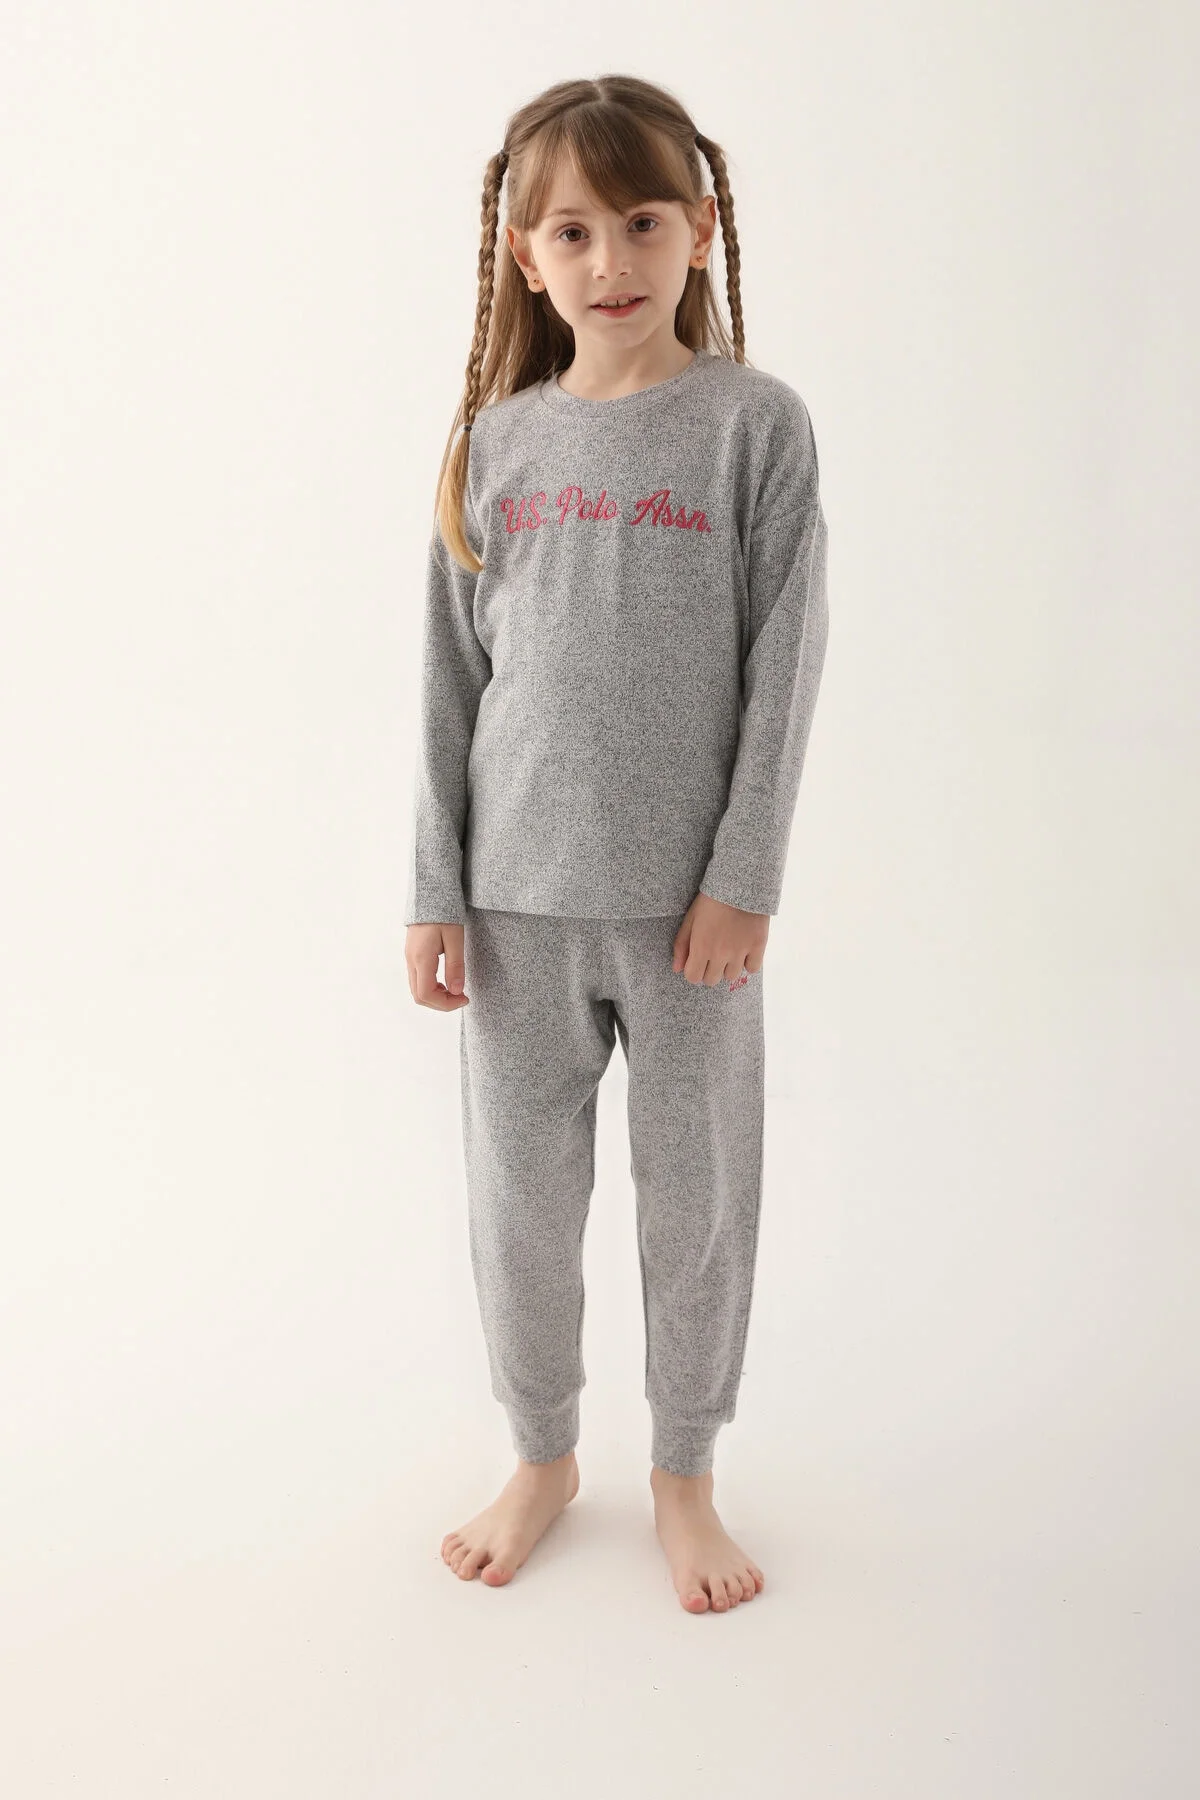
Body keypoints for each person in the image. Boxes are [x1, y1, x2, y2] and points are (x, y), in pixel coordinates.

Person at [403, 74, 829, 1615]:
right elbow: (449, 684)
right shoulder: (494, 447)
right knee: (521, 1208)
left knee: (695, 1204)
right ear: (526, 257)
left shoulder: (753, 428)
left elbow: (787, 666)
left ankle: (685, 1475)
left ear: (698, 229)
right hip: (514, 907)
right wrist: (432, 888)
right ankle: (542, 1455)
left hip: (689, 919)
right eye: (573, 231)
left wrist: (744, 878)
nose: (610, 260)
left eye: (641, 222)